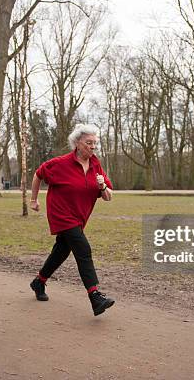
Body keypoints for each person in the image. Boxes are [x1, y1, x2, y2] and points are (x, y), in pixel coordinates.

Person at [29, 124, 115, 316]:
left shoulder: (96, 165)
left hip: (79, 218)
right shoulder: (60, 164)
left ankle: (39, 282)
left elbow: (109, 197)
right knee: (83, 249)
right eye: (88, 143)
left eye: (95, 143)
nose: (92, 147)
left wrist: (102, 187)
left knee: (61, 251)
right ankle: (95, 297)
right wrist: (34, 200)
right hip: (61, 215)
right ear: (77, 143)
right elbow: (38, 175)